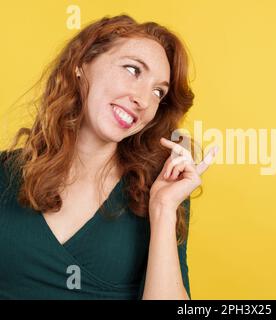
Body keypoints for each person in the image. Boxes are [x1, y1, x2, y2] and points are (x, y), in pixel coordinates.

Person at [0, 14, 218, 299]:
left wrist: (163, 209)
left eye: (158, 92)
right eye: (132, 69)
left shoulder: (159, 189)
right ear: (82, 64)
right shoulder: (6, 172)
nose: (143, 99)